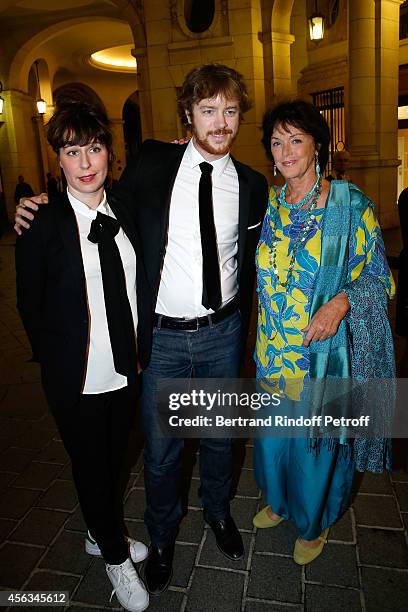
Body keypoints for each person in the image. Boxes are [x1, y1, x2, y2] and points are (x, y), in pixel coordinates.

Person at [14, 63, 269, 596]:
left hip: (222, 333)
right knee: (161, 451)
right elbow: (91, 197)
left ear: (240, 116)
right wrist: (38, 204)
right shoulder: (154, 162)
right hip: (163, 339)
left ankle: (219, 513)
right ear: (188, 116)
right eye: (207, 111)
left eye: (229, 111)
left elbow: (252, 261)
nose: (219, 122)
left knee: (221, 439)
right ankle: (161, 536)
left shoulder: (252, 186)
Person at [15, 98, 150, 612]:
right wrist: (59, 362)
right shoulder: (40, 226)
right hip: (77, 377)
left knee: (116, 459)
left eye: (95, 149)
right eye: (74, 152)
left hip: (127, 368)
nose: (87, 163)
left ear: (110, 154)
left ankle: (100, 531)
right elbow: (31, 307)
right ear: (59, 160)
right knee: (90, 465)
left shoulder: (129, 210)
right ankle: (114, 555)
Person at [252, 100, 395, 565]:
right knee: (275, 439)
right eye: (277, 141)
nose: (286, 150)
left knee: (315, 445)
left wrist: (341, 301)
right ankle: (279, 502)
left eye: (296, 139)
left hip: (323, 355)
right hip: (272, 352)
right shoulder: (270, 205)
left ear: (317, 144)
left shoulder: (350, 204)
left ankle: (313, 523)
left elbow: (379, 277)